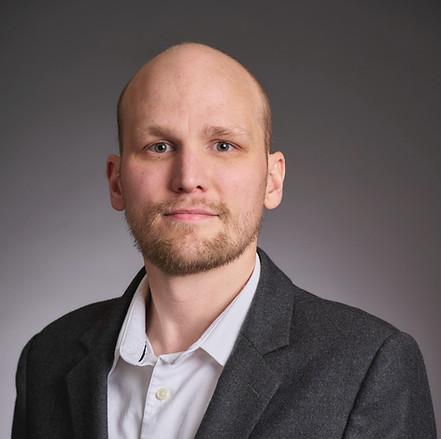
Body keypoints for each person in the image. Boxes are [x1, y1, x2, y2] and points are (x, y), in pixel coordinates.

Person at [12, 43, 436, 439]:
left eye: (223, 145)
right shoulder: (47, 359)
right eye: (159, 146)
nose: (189, 178)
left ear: (272, 180)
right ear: (116, 181)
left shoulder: (369, 366)